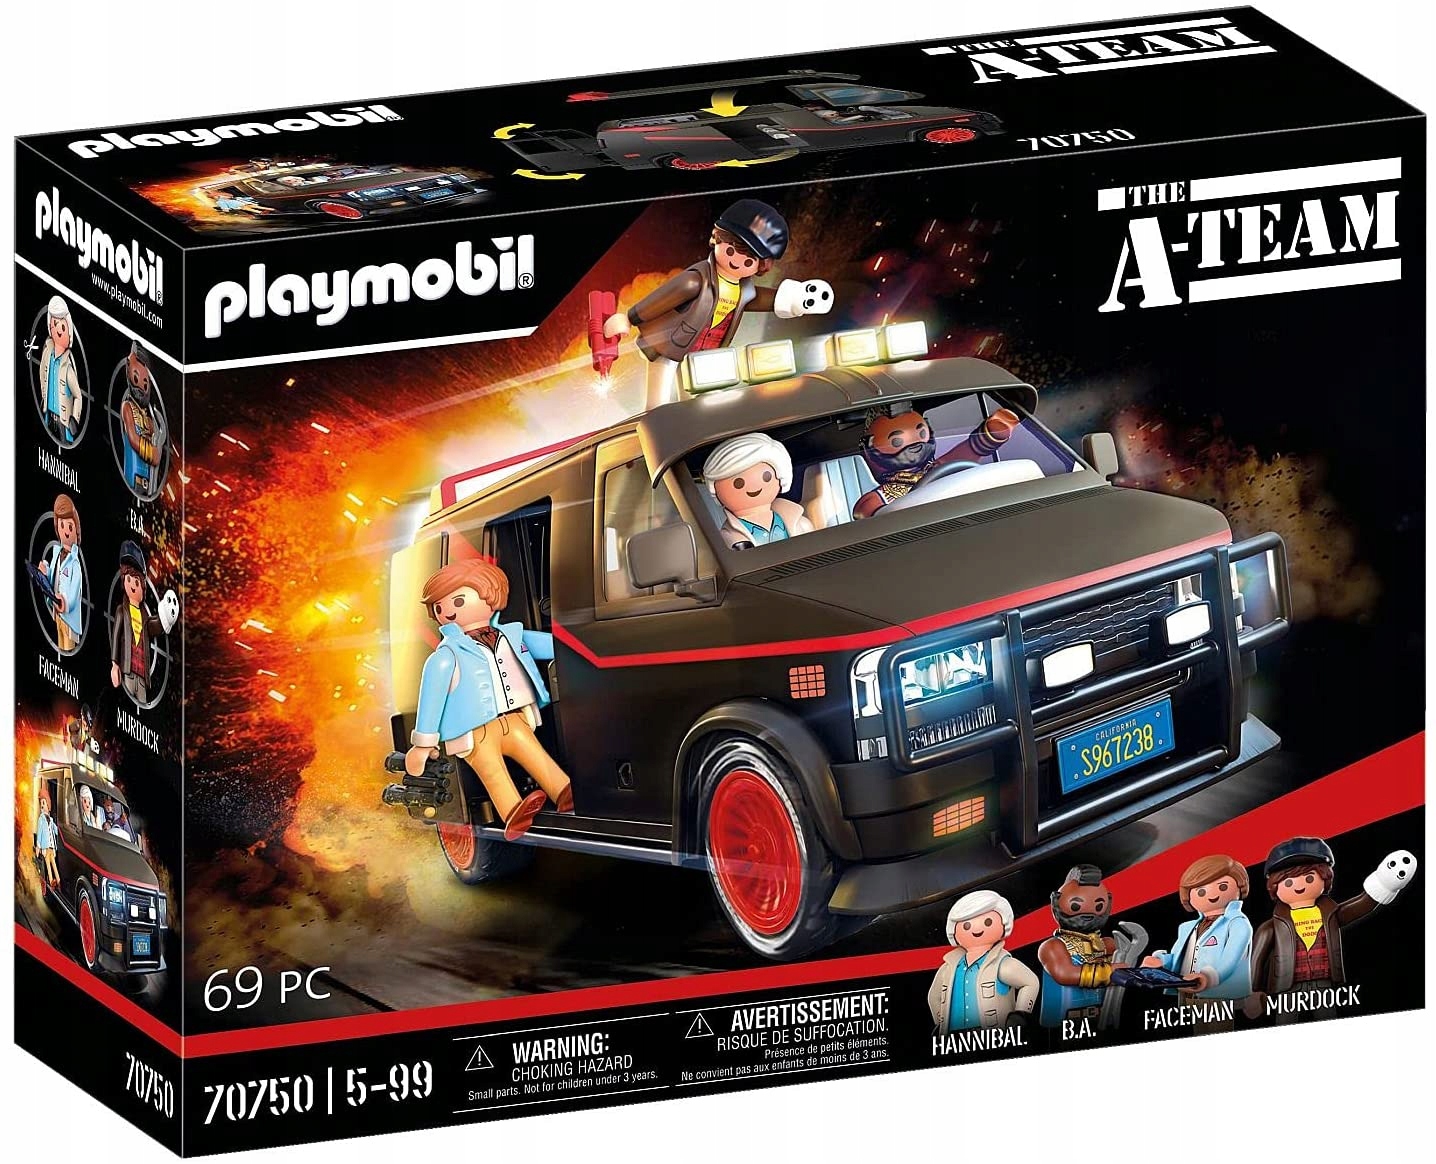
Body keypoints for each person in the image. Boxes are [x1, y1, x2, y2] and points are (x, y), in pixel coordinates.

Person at [602, 199, 833, 411]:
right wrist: (629, 318)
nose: (737, 261)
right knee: (658, 403)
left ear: (761, 266)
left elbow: (762, 299)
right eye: (731, 250)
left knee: (697, 401)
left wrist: (796, 299)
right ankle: (657, 423)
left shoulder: (744, 290)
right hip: (669, 347)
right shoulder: (695, 280)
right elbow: (663, 298)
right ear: (716, 238)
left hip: (705, 352)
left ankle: (689, 427)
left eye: (749, 260)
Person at [405, 559, 574, 840]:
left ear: (490, 593)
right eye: (439, 607)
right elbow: (431, 700)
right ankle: (513, 812)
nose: (447, 611)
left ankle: (564, 792)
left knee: (536, 755)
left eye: (458, 601)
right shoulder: (446, 656)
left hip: (515, 719)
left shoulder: (511, 635)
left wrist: (578, 643)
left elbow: (552, 645)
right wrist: (423, 744)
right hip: (475, 731)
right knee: (492, 770)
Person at [1246, 837, 1418, 1020]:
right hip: (1287, 984)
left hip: (1323, 981)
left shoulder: (1329, 915)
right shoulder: (1272, 926)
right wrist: (1253, 991)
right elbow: (1257, 959)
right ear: (1274, 886)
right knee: (1285, 1022)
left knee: (1327, 1019)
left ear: (1325, 878)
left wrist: (1384, 884)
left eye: (1309, 877)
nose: (1299, 885)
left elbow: (1359, 906)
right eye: (1288, 882)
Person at [853, 403, 1022, 518]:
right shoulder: (879, 497)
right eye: (897, 441)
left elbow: (972, 449)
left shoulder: (939, 468)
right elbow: (870, 519)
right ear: (869, 448)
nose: (915, 443)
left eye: (921, 433)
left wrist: (991, 435)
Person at [1143, 854, 1253, 1027]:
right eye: (1201, 891)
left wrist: (1208, 977)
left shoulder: (1238, 923)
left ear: (1240, 886)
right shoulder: (1187, 928)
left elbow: (1231, 959)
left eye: (1223, 887)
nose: (1212, 894)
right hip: (1189, 991)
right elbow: (1179, 957)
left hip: (1219, 993)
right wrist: (1160, 961)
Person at [927, 890, 1039, 1032]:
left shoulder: (1001, 964)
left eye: (988, 922)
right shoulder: (948, 968)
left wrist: (1020, 1015)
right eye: (966, 925)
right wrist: (941, 1024)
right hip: (954, 1038)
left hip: (992, 1035)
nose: (977, 928)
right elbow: (933, 997)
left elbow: (1030, 982)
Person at [702, 433, 813, 549]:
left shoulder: (794, 519)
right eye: (738, 483)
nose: (753, 486)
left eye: (766, 477)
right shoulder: (729, 536)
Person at [110, 540, 180, 705]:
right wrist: (114, 665)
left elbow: (152, 628)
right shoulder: (121, 611)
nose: (133, 586)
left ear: (142, 587)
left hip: (142, 675)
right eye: (129, 580)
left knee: (139, 705)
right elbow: (116, 637)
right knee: (127, 705)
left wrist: (165, 618)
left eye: (136, 582)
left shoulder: (144, 616)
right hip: (127, 671)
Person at [118, 342, 167, 498]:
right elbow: (133, 439)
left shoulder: (148, 418)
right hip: (132, 474)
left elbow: (155, 435)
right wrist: (153, 454)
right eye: (136, 378)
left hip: (147, 477)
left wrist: (157, 443)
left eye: (145, 383)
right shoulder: (128, 407)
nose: (141, 386)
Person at [38, 493, 84, 651]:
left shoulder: (75, 564)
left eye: (70, 527)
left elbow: (74, 593)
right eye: (61, 525)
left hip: (69, 619)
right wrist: (45, 571)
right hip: (57, 613)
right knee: (59, 643)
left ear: (76, 531)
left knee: (68, 647)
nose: (66, 531)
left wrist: (64, 601)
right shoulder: (57, 554)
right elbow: (54, 575)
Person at [37, 296, 83, 444]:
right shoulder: (47, 354)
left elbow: (78, 396)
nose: (58, 330)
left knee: (64, 446)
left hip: (63, 422)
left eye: (62, 327)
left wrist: (74, 418)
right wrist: (44, 394)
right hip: (48, 416)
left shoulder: (67, 369)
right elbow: (42, 372)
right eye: (55, 324)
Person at [36, 793, 60, 888]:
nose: (42, 805)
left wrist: (62, 830)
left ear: (48, 805)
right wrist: (38, 846)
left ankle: (58, 880)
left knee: (53, 863)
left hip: (51, 846)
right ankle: (51, 880)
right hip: (45, 847)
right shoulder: (41, 819)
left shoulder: (51, 820)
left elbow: (56, 831)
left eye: (44, 803)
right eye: (41, 803)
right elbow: (39, 832)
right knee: (48, 865)